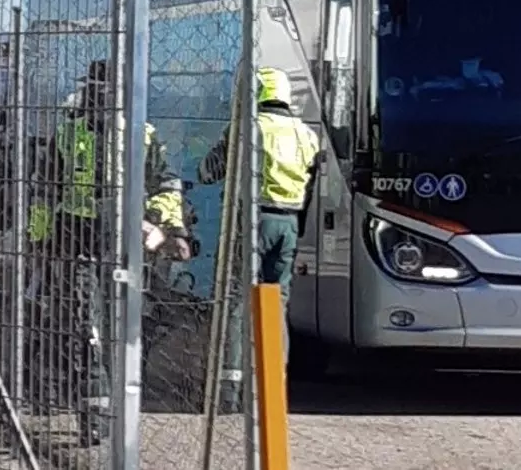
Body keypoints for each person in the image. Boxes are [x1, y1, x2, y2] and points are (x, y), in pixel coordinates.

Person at [25, 61, 187, 444]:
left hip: (126, 239)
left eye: (104, 88)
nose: (97, 95)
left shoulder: (141, 135)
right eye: (93, 88)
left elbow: (166, 186)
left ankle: (124, 404)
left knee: (128, 326)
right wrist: (39, 239)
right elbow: (45, 190)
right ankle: (94, 415)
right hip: (77, 238)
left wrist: (165, 226)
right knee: (88, 328)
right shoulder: (68, 133)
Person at [199, 67, 321, 311]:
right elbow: (310, 185)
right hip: (289, 223)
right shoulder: (306, 134)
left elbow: (207, 173)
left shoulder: (247, 128)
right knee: (276, 296)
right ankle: (273, 337)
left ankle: (237, 338)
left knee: (235, 294)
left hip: (251, 219)